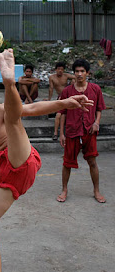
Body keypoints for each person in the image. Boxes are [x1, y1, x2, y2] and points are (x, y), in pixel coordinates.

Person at [0, 49, 93, 272]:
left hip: (22, 157)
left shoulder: (0, 110)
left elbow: (35, 108)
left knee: (15, 117)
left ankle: (9, 81)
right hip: (8, 176)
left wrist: (65, 103)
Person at [57, 59, 106, 203]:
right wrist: (61, 133)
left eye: (82, 71)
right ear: (73, 74)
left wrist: (97, 123)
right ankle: (64, 190)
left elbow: (99, 109)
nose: (79, 74)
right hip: (72, 131)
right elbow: (63, 113)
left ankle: (96, 191)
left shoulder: (95, 89)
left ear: (87, 73)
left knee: (92, 161)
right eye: (77, 71)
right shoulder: (67, 91)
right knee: (67, 163)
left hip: (89, 131)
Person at [45, 62, 76, 140]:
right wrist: (49, 99)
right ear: (56, 70)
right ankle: (55, 133)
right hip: (61, 97)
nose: (60, 71)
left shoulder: (66, 76)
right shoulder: (52, 77)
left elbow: (76, 77)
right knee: (58, 115)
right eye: (59, 69)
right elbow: (51, 88)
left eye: (62, 69)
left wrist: (71, 84)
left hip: (69, 96)